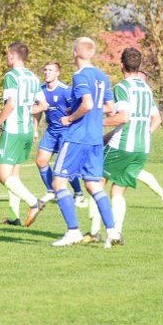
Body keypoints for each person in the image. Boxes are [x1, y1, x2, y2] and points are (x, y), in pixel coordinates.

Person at [27, 37, 121, 248]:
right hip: (96, 139)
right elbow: (110, 108)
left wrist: (70, 117)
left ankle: (73, 231)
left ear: (75, 53)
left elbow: (87, 104)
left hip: (78, 137)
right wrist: (80, 109)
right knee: (94, 185)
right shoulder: (102, 76)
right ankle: (113, 231)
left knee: (58, 182)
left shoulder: (80, 76)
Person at [83, 47, 161, 244]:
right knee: (118, 190)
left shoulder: (122, 88)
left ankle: (94, 232)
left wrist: (94, 121)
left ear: (121, 65)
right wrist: (143, 133)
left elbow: (123, 117)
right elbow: (157, 119)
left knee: (94, 182)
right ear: (139, 65)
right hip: (142, 148)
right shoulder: (146, 89)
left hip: (122, 146)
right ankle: (116, 232)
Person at [0, 42, 48, 226]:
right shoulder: (34, 77)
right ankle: (15, 218)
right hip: (27, 131)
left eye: (7, 55)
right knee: (14, 176)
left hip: (12, 131)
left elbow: (10, 105)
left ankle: (34, 203)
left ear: (13, 56)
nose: (6, 58)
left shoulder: (11, 77)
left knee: (3, 177)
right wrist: (27, 110)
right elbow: (43, 105)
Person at [33, 61, 85, 206]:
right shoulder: (41, 90)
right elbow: (38, 110)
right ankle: (52, 191)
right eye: (45, 70)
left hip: (66, 131)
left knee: (65, 165)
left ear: (57, 73)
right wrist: (35, 128)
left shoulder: (65, 90)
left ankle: (79, 194)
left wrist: (71, 115)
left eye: (50, 70)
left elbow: (78, 108)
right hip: (51, 131)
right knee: (41, 161)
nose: (46, 72)